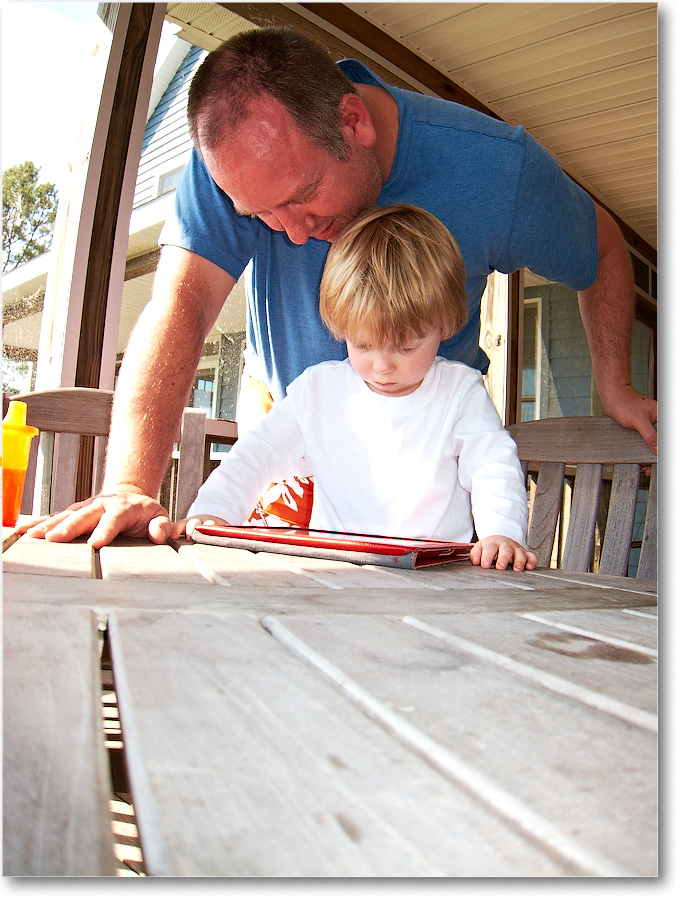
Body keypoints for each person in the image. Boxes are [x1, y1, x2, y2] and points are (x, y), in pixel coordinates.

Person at [19, 26, 656, 548]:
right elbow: (180, 312)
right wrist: (130, 484)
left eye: (301, 198)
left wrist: (615, 384)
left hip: (428, 473)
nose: (291, 235)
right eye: (262, 217)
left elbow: (601, 246)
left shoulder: (496, 170)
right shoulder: (236, 164)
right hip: (295, 432)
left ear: (353, 120)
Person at [173, 205, 537, 572]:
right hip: (334, 574)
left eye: (406, 347)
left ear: (444, 324)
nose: (381, 365)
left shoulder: (460, 393)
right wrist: (214, 511)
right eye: (362, 344)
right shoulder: (319, 391)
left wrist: (502, 532)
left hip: (435, 581)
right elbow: (257, 454)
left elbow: (493, 466)